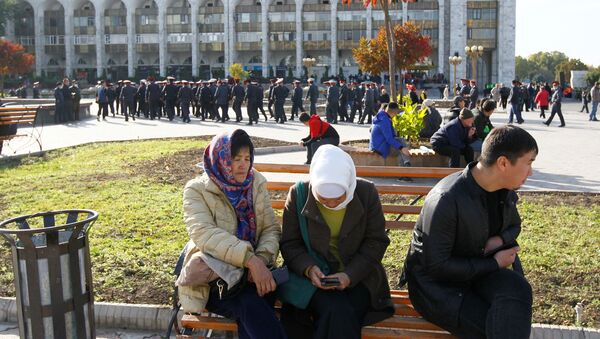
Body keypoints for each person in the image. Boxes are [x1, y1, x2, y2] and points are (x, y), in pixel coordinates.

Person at [403, 125, 536, 339]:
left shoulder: (503, 190)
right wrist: (494, 263)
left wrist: (499, 239)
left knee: (518, 289)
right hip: (437, 288)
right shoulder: (446, 199)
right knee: (493, 327)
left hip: (478, 273)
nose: (531, 171)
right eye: (528, 163)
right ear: (503, 163)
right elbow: (436, 267)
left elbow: (514, 226)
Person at [179, 129, 286, 339]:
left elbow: (270, 229)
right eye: (236, 159)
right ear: (221, 159)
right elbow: (204, 234)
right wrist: (250, 261)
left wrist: (261, 262)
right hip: (216, 281)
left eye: (247, 158)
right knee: (250, 304)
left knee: (260, 299)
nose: (243, 165)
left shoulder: (255, 182)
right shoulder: (197, 190)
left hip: (256, 275)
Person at [280, 145, 394, 339]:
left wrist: (349, 275)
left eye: (338, 198)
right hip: (312, 278)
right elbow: (290, 243)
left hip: (359, 275)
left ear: (349, 185)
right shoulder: (299, 194)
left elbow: (375, 242)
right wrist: (309, 268)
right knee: (337, 310)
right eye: (323, 199)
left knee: (338, 311)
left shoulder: (366, 193)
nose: (331, 204)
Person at [369, 102, 412, 179]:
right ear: (394, 112)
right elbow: (389, 139)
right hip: (379, 147)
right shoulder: (385, 121)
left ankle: (406, 166)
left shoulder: (381, 116)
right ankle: (404, 173)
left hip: (378, 143)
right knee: (401, 150)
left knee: (401, 141)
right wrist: (401, 148)